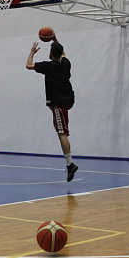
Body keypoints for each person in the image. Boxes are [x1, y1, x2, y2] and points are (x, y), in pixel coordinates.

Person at [26, 33, 78, 182]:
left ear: (51, 53)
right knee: (62, 130)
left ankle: (70, 164)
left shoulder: (48, 66)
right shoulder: (66, 63)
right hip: (68, 99)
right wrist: (54, 38)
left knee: (62, 133)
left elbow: (28, 65)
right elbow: (62, 52)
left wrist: (32, 52)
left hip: (58, 103)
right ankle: (69, 161)